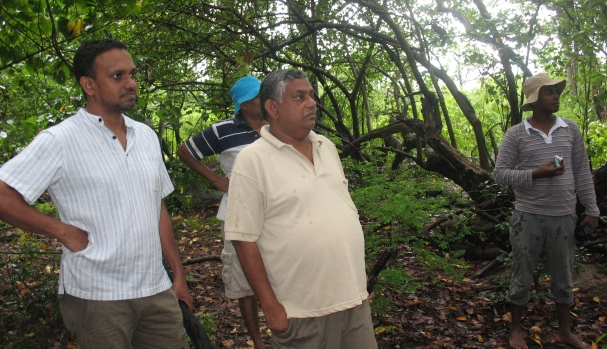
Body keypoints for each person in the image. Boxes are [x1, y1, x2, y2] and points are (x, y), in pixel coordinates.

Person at [0, 39, 191, 349]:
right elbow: (3, 193)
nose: (130, 83)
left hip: (155, 290)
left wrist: (177, 273)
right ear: (89, 84)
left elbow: (156, 209)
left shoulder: (145, 136)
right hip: (97, 297)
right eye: (118, 76)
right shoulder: (61, 139)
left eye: (132, 74)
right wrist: (60, 230)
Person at [224, 69, 377, 349]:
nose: (312, 103)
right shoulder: (252, 160)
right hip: (301, 313)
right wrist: (271, 307)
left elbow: (342, 213)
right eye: (299, 97)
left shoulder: (326, 146)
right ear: (273, 108)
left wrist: (358, 275)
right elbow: (243, 238)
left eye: (311, 95)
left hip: (354, 304)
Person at [495, 72, 599, 349]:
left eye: (556, 91)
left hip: (564, 216)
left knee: (564, 277)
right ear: (535, 100)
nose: (556, 96)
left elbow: (582, 171)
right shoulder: (517, 134)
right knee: (522, 275)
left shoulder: (571, 129)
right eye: (549, 92)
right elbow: (500, 174)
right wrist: (535, 174)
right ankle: (515, 330)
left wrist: (592, 209)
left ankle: (565, 331)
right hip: (528, 216)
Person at [177, 76, 267, 349]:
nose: (263, 101)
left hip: (277, 215)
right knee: (244, 282)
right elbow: (185, 151)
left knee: (284, 274)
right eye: (257, 97)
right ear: (244, 104)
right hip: (238, 217)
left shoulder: (278, 126)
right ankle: (258, 341)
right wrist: (216, 180)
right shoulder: (222, 130)